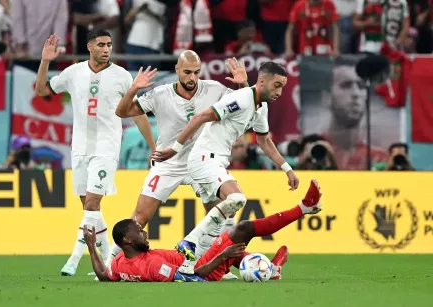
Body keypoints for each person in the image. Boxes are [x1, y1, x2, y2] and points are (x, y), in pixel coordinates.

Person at [112, 51, 249, 280]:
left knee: (222, 213)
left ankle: (218, 267)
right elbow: (122, 111)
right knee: (140, 217)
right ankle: (111, 265)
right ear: (177, 70)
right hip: (168, 161)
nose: (192, 77)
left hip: (202, 160)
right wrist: (134, 88)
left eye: (196, 72)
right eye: (187, 72)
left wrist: (244, 84)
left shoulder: (214, 89)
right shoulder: (160, 94)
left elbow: (246, 103)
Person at [152, 61, 300, 273]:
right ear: (261, 81)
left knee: (225, 223)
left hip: (216, 161)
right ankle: (190, 241)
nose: (280, 91)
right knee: (237, 199)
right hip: (204, 159)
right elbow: (201, 116)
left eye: (283, 87)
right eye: (276, 85)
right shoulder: (240, 99)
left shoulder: (261, 108)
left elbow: (264, 141)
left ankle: (191, 268)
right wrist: (175, 149)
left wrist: (287, 168)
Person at [34, 30, 156, 277]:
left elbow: (138, 112)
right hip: (79, 148)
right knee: (89, 209)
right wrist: (45, 61)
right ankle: (110, 264)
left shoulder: (122, 76)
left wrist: (154, 148)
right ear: (89, 46)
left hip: (106, 147)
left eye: (109, 44)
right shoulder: (74, 72)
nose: (106, 49)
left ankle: (74, 259)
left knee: (92, 203)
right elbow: (42, 91)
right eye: (101, 44)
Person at [84, 179, 322, 282]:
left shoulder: (119, 265)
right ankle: (303, 208)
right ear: (127, 239)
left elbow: (104, 276)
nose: (144, 232)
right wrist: (221, 257)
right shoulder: (153, 267)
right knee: (242, 230)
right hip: (199, 266)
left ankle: (272, 269)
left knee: (223, 234)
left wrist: (92, 246)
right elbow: (193, 276)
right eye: (139, 230)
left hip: (183, 253)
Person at [321, 59, 388, 170]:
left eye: (361, 86)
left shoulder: (380, 158)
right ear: (327, 98)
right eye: (346, 85)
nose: (356, 93)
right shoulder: (315, 152)